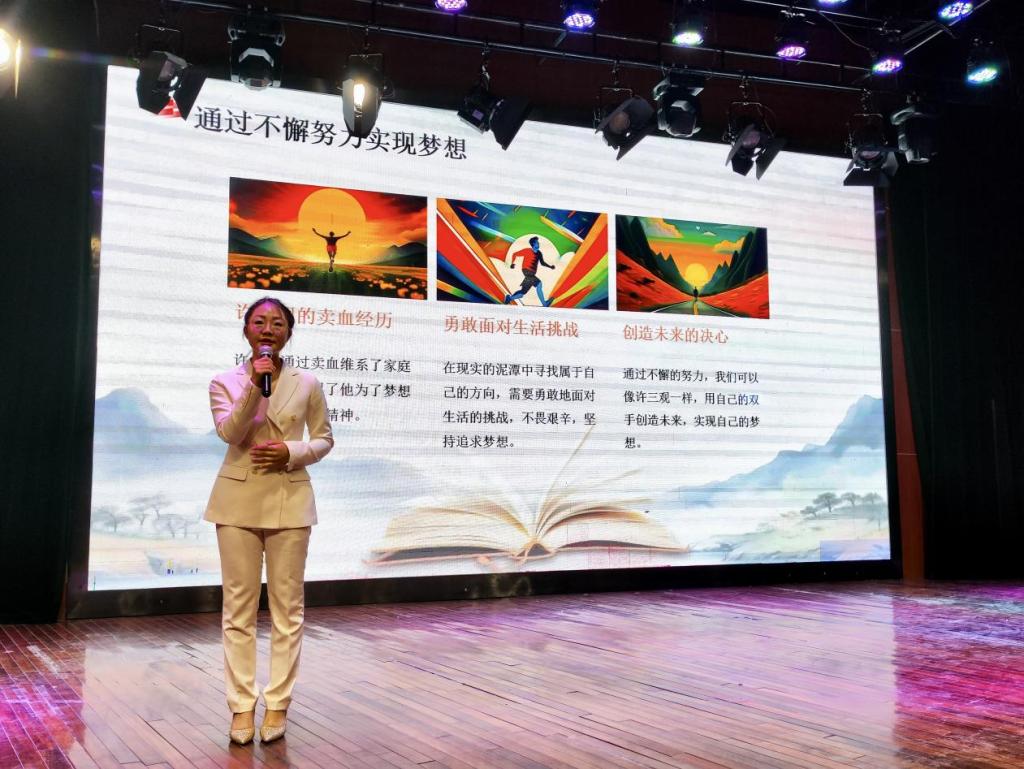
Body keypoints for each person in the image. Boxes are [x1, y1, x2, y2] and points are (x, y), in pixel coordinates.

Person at [204, 296, 334, 745]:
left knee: (287, 610)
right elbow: (231, 433)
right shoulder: (224, 381)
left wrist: (291, 452)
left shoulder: (307, 382)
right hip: (236, 501)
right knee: (238, 610)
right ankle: (241, 706)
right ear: (246, 330)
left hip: (290, 498)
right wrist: (252, 388)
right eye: (259, 322)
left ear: (288, 333)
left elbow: (324, 439)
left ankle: (278, 702)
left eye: (277, 323)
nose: (267, 329)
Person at [504, 236, 555, 307]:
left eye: (538, 242)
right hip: (527, 271)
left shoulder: (539, 253)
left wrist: (550, 266)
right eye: (537, 242)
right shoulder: (527, 250)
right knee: (539, 284)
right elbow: (515, 254)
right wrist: (512, 263)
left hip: (531, 274)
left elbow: (542, 263)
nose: (538, 243)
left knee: (522, 293)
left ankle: (509, 298)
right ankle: (544, 304)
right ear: (533, 244)